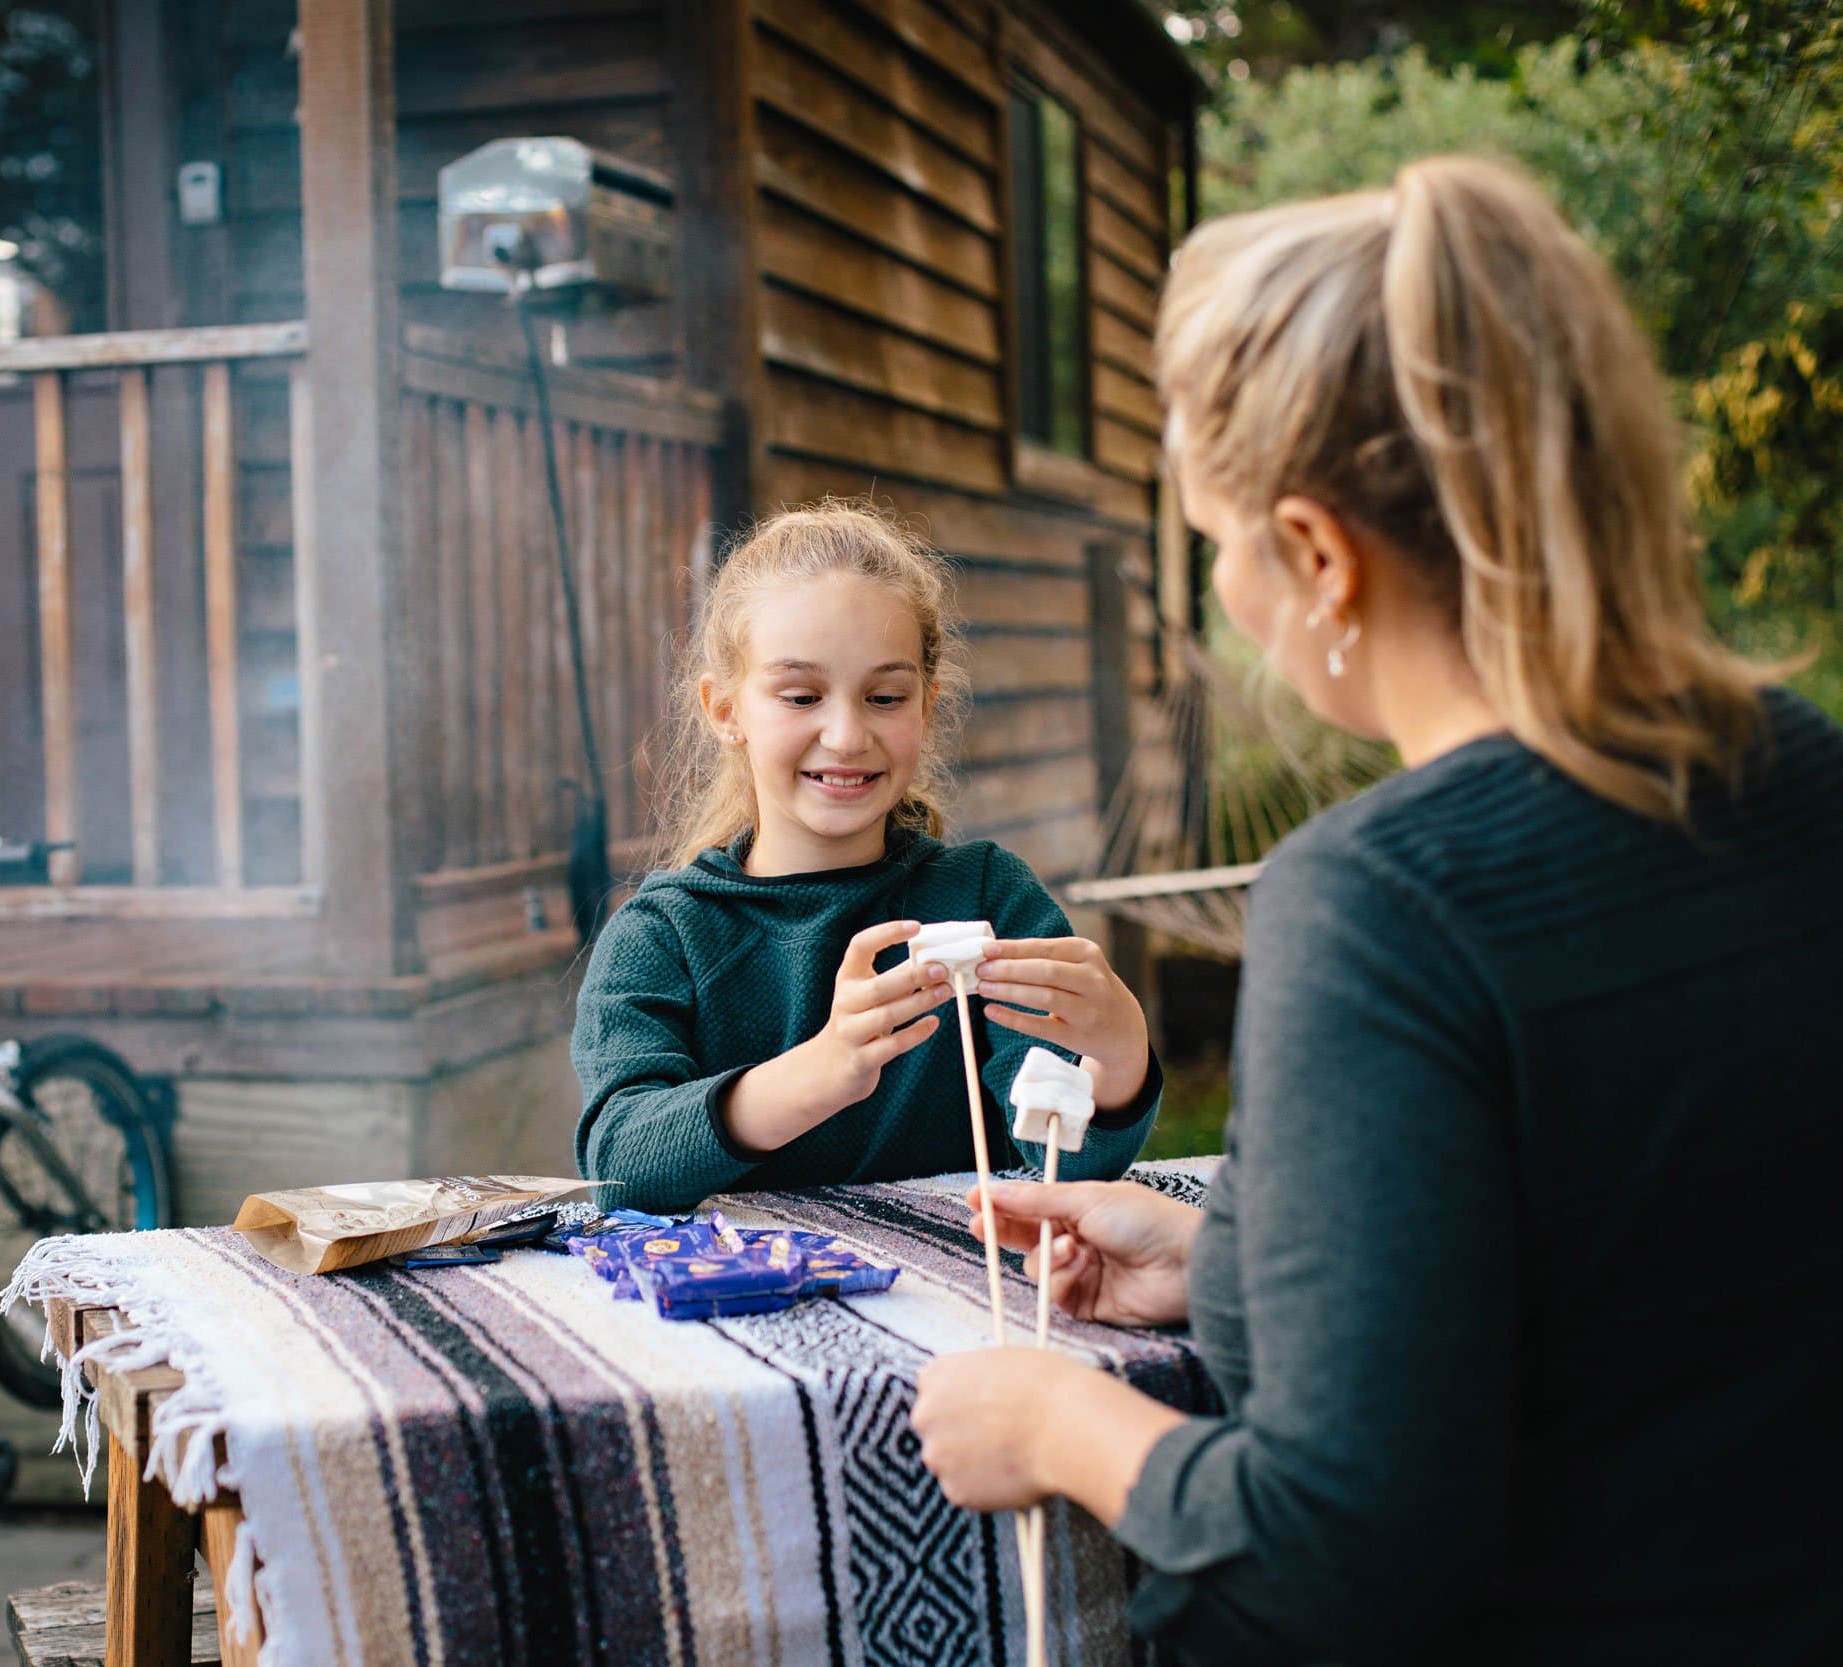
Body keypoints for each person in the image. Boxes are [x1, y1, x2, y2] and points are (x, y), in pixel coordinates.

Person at [911, 155, 1843, 1664]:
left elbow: (1341, 1551)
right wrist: (1221, 1259)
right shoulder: (1807, 781)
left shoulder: (1381, 901)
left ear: (1323, 556)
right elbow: (1635, 1261)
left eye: (1220, 543)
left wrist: (1061, 1418)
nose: (1232, 595)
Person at [570, 503, 1160, 1213]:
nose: (847, 735)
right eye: (801, 695)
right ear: (725, 710)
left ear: (925, 706)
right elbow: (618, 1160)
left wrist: (1120, 1058)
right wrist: (820, 1071)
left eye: (885, 696)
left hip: (957, 1301)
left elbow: (1062, 1162)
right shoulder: (662, 935)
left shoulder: (987, 898)